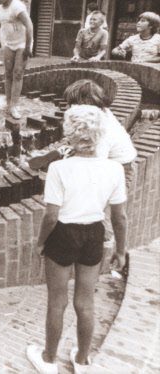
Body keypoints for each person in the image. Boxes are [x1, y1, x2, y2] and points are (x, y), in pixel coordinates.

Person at [27, 104, 128, 374]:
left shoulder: (59, 168)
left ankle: (49, 360)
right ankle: (82, 361)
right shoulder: (115, 169)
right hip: (94, 233)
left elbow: (50, 217)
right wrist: (121, 250)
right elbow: (119, 218)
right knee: (85, 303)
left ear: (70, 133)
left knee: (56, 301)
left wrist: (39, 243)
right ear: (100, 134)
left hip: (63, 234)